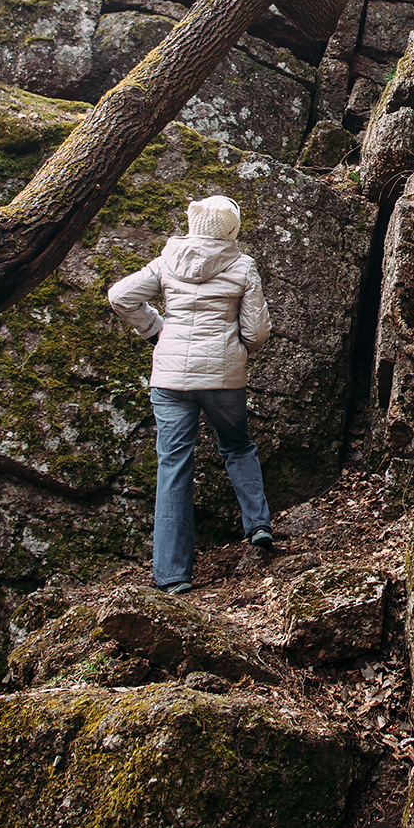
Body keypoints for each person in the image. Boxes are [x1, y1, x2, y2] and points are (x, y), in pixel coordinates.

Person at [108, 194, 275, 593]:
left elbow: (120, 296)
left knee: (174, 467)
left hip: (168, 381)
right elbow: (257, 332)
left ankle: (171, 575)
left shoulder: (168, 260)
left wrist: (155, 328)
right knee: (237, 446)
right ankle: (258, 525)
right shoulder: (241, 265)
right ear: (232, 229)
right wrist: (236, 349)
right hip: (223, 379)